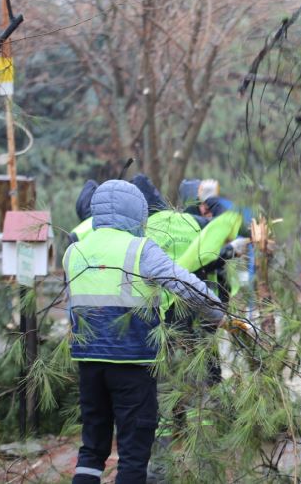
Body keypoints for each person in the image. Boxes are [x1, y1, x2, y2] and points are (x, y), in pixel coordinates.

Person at [64, 179, 229, 483]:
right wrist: (219, 312)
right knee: (133, 453)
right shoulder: (139, 249)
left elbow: (70, 310)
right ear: (136, 211)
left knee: (92, 449)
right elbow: (184, 283)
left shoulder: (74, 251)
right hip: (133, 364)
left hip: (88, 364)